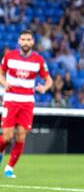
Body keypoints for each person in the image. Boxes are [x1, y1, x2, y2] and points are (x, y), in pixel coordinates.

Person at [0, 30, 53, 178]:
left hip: (27, 102)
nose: (25, 42)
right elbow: (1, 72)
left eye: (28, 39)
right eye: (23, 39)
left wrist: (44, 87)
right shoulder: (9, 56)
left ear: (33, 42)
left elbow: (49, 80)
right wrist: (4, 83)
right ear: (19, 41)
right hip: (10, 99)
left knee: (21, 136)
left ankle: (9, 168)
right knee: (6, 136)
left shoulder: (39, 60)